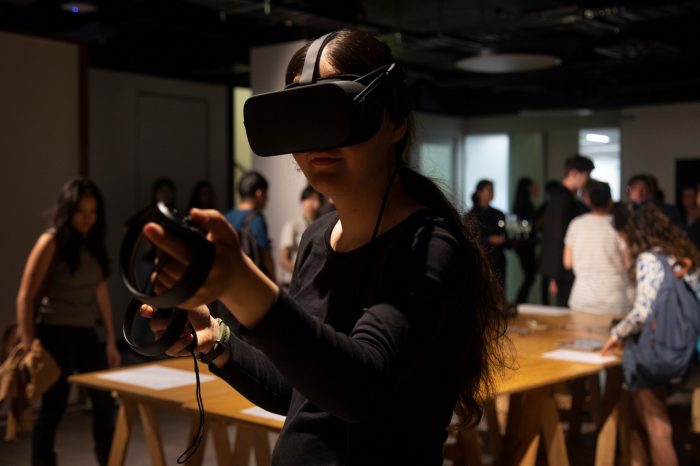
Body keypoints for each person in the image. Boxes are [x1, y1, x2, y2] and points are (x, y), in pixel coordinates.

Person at [140, 29, 508, 465]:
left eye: (335, 110)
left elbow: (357, 390)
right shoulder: (317, 237)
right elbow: (302, 391)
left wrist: (240, 282)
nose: (316, 137)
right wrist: (215, 341)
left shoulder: (428, 244)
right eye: (301, 115)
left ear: (394, 119)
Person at [15, 177, 120, 466]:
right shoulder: (51, 240)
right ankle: (42, 461)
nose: (87, 219)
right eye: (81, 211)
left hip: (87, 331)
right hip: (55, 332)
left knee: (104, 402)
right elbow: (25, 296)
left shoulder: (93, 244)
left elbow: (101, 293)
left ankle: (110, 460)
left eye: (93, 212)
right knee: (54, 406)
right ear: (68, 209)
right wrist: (28, 344)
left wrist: (111, 338)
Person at [601, 203, 700, 466]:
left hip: (652, 351)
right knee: (643, 421)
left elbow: (642, 313)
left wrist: (616, 334)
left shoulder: (649, 260)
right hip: (681, 348)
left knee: (656, 426)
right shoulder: (682, 255)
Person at [563, 180, 632, 314]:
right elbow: (628, 263)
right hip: (613, 298)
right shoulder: (618, 226)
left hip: (582, 297)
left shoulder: (576, 225)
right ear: (610, 200)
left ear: (587, 200)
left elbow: (567, 263)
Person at [539, 154, 594, 306]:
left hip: (561, 267)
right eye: (586, 175)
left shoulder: (561, 197)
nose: (587, 180)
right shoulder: (563, 199)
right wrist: (555, 277)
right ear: (574, 173)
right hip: (563, 269)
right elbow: (557, 236)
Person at [224, 171, 276, 282]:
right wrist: (274, 280)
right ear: (259, 193)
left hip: (229, 280)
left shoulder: (226, 217)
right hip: (251, 281)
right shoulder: (256, 219)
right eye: (267, 194)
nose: (267, 199)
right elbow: (265, 255)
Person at [278, 185, 322, 288]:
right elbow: (283, 259)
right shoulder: (292, 225)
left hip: (313, 284)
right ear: (301, 202)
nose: (311, 203)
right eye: (307, 199)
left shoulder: (322, 225)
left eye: (315, 199)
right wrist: (302, 274)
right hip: (292, 283)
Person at [466, 179, 507, 288]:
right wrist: (488, 239)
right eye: (489, 190)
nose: (492, 192)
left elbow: (505, 234)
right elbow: (469, 239)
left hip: (498, 259)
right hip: (480, 260)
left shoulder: (498, 214)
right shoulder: (471, 215)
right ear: (479, 193)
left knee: (499, 290)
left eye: (492, 190)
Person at [512, 177, 538, 304]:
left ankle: (520, 303)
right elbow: (523, 227)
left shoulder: (520, 203)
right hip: (526, 246)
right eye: (533, 186)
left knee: (530, 276)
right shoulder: (525, 204)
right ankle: (520, 303)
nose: (535, 189)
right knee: (530, 276)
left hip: (523, 245)